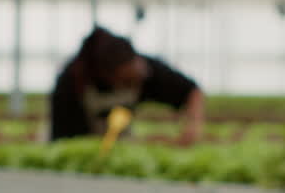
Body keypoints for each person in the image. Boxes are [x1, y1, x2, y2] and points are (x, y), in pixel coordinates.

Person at [50, 26, 205, 142]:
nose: (135, 83)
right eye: (127, 81)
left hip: (121, 145)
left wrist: (192, 128)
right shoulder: (71, 83)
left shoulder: (146, 69)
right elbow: (63, 140)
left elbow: (191, 91)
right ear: (109, 76)